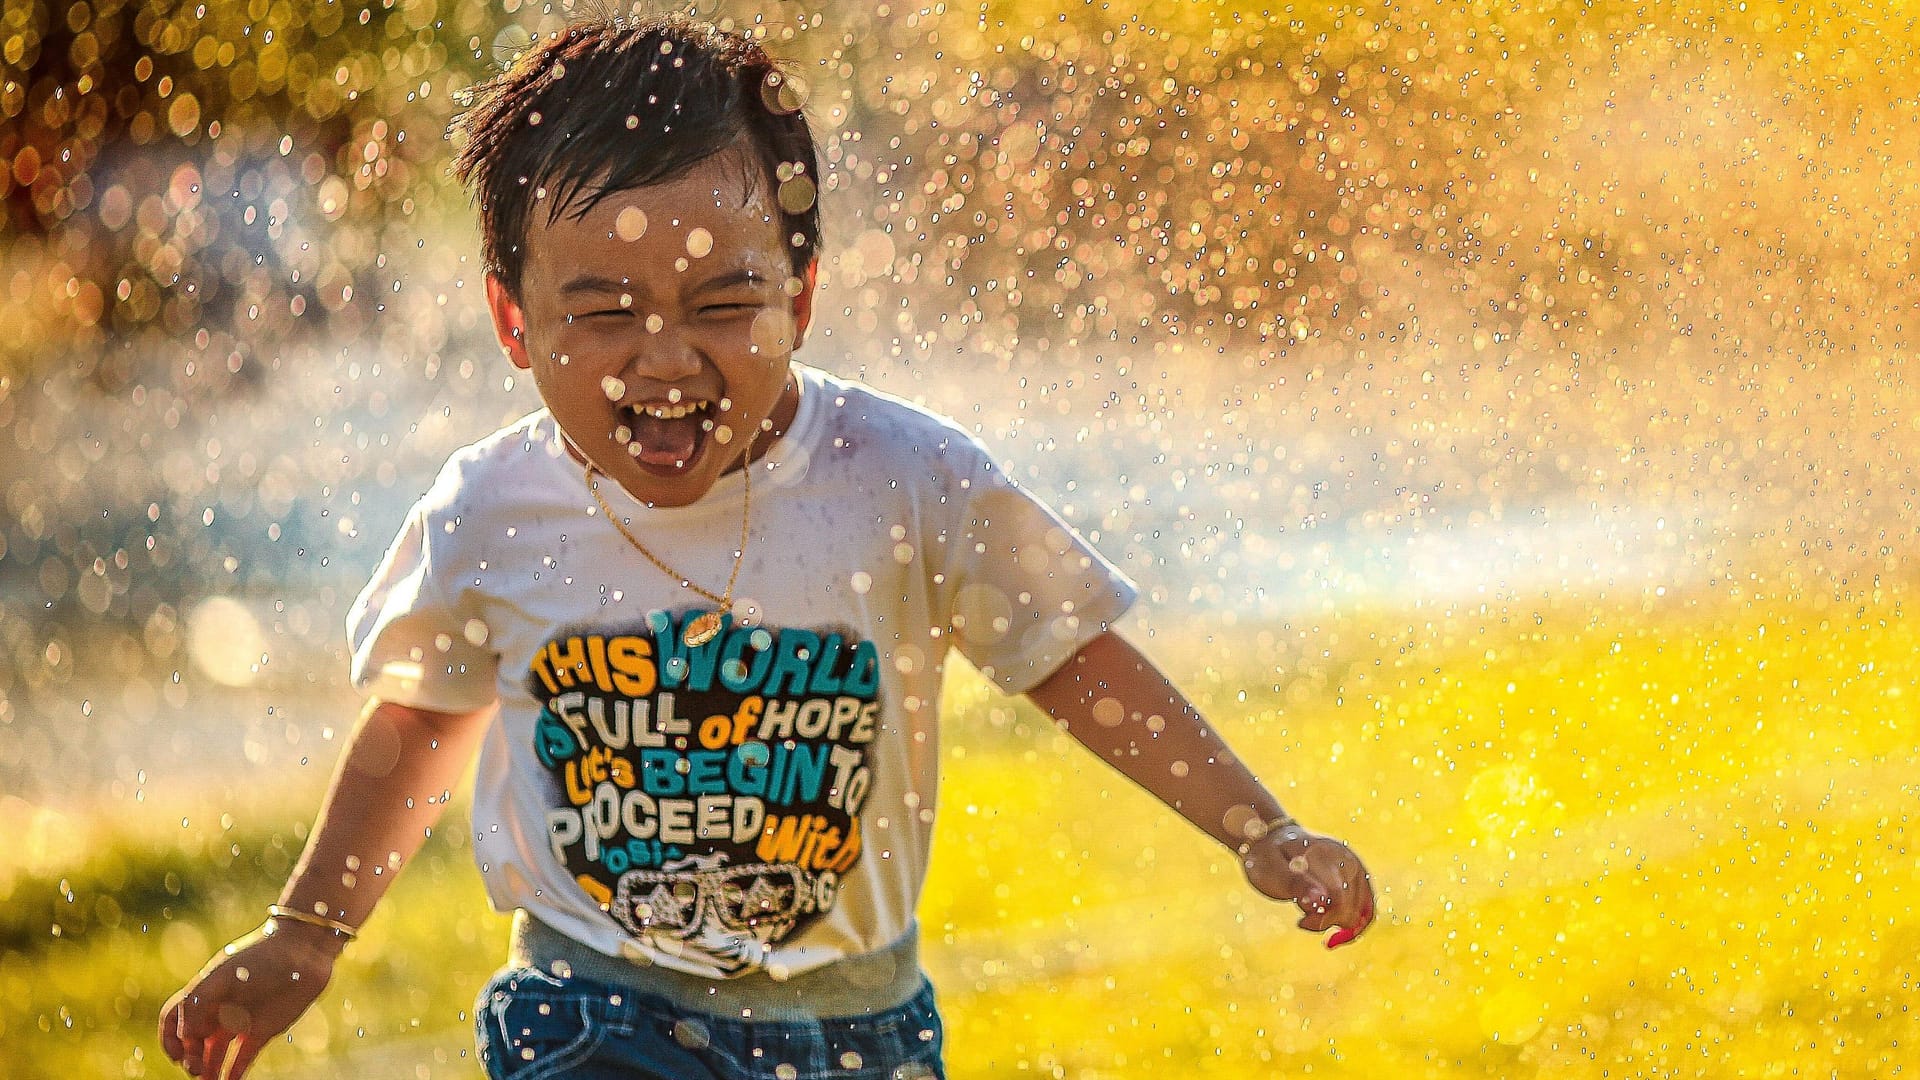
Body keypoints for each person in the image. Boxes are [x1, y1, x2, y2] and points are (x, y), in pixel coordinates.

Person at [159, 14, 1374, 1080]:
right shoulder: (494, 511)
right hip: (591, 1013)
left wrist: (1259, 828)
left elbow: (1071, 656)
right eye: (602, 314)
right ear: (512, 320)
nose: (665, 359)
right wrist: (308, 931)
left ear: (802, 294)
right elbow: (422, 721)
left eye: (722, 306)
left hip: (858, 1033)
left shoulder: (904, 480)